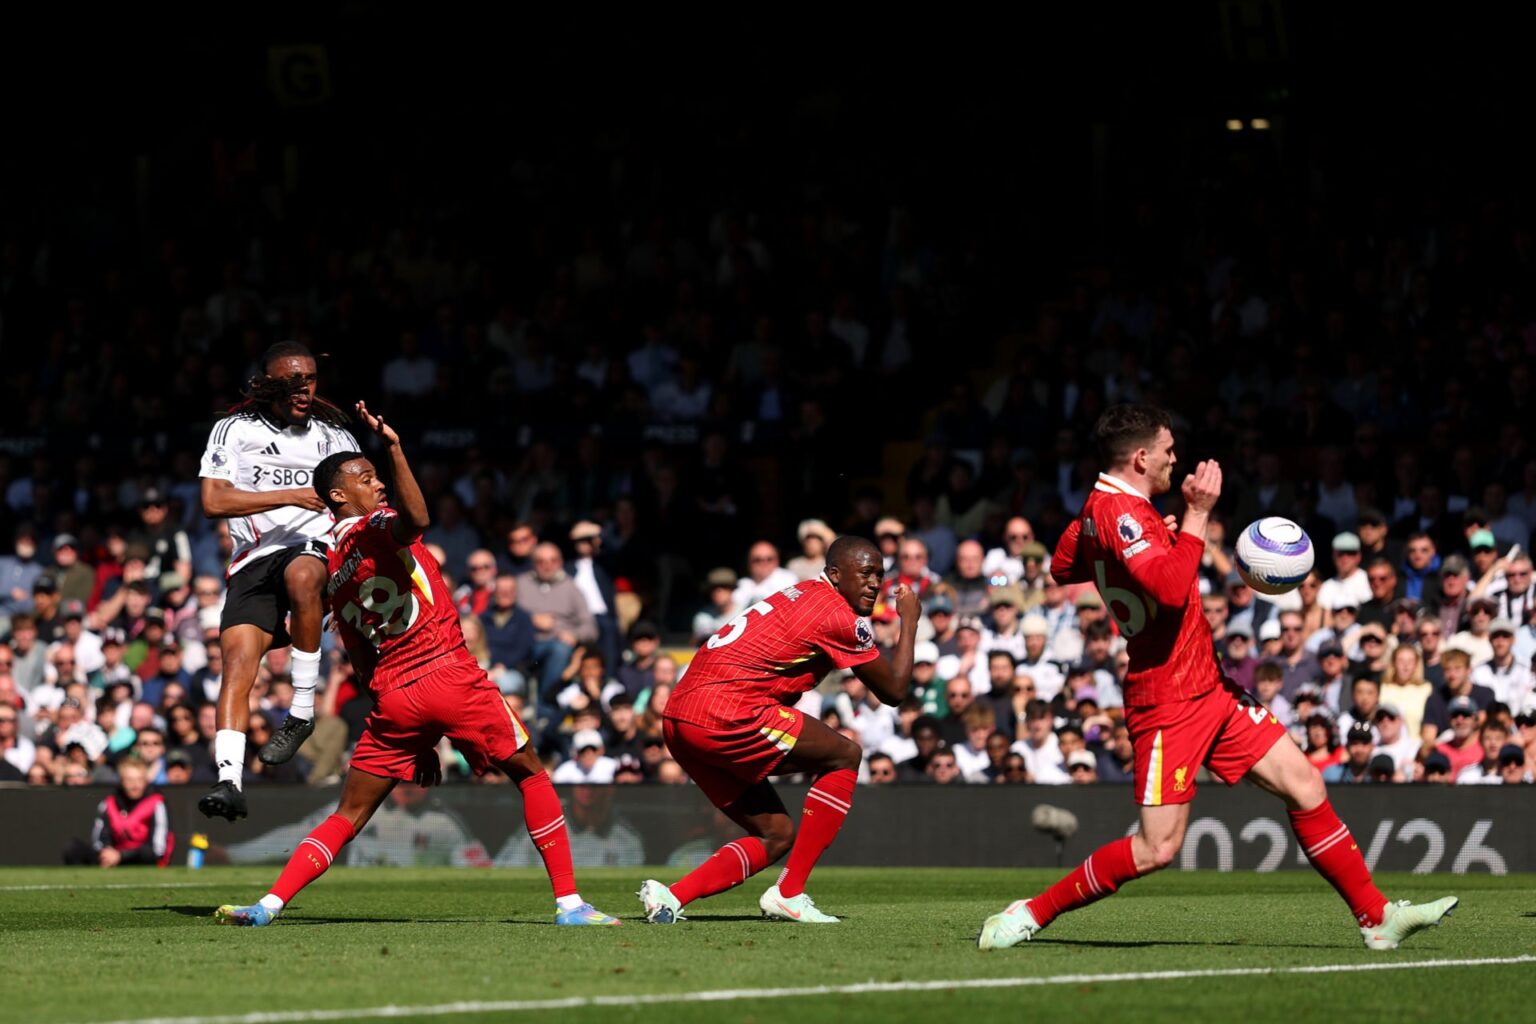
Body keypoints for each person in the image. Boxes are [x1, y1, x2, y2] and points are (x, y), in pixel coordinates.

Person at [978, 403, 1454, 952]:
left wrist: (1157, 545)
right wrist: (1197, 517)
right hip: (1166, 698)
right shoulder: (1119, 513)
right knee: (1156, 849)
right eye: (1168, 450)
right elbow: (1170, 590)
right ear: (1140, 457)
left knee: (1305, 785)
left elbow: (1067, 566)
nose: (1175, 460)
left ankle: (1377, 918)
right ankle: (1031, 912)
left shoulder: (1104, 510)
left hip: (1211, 688)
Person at [213, 401, 618, 927]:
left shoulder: (328, 566)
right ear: (338, 496)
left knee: (349, 813)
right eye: (366, 477)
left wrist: (418, 736)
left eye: (379, 475)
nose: (378, 484)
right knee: (532, 776)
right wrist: (398, 448)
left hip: (396, 698)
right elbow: (419, 519)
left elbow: (359, 653)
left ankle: (268, 905)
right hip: (449, 672)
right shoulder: (376, 527)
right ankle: (570, 904)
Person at [637, 536, 919, 926]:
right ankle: (790, 893)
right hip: (728, 714)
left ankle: (670, 897)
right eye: (866, 574)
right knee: (846, 755)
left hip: (680, 718)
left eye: (880, 576)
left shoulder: (798, 593)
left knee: (776, 834)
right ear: (835, 575)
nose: (875, 583)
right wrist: (910, 619)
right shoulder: (837, 614)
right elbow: (895, 691)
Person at [196, 341, 359, 821]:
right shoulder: (234, 428)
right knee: (237, 662)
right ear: (266, 383)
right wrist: (291, 493)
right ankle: (229, 781)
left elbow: (359, 504)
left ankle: (302, 710)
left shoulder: (334, 437)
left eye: (309, 379)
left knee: (305, 572)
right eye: (291, 381)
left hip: (313, 550)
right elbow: (214, 500)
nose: (303, 390)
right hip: (251, 561)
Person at [62, 757, 173, 867]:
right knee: (73, 848)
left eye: (140, 780)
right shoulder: (109, 804)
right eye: (129, 780)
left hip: (141, 859)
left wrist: (122, 855)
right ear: (121, 781)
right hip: (114, 857)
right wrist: (107, 852)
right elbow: (99, 840)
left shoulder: (156, 803)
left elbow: (158, 849)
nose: (135, 785)